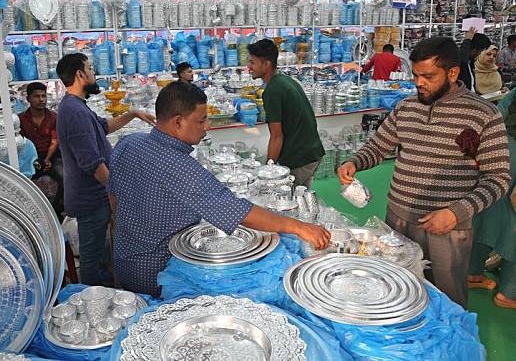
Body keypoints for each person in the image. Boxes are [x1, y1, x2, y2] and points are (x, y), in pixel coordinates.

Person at [109, 81, 331, 297]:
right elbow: (238, 212)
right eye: (201, 120)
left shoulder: (129, 143)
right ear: (178, 123)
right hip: (156, 273)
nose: (207, 126)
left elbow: (113, 199)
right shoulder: (180, 167)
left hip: (122, 259)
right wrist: (298, 227)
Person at [337, 36, 511, 308]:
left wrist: (457, 213)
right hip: (398, 221)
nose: (419, 82)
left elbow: (498, 179)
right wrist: (354, 163)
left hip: (447, 228)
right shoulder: (407, 107)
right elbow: (378, 147)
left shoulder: (484, 115)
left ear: (452, 73)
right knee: (398, 293)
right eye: (416, 74)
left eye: (428, 76)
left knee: (447, 301)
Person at [55, 53, 156, 286]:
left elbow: (104, 127)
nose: (94, 73)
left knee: (99, 253)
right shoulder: (75, 112)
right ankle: (92, 299)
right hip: (90, 198)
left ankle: (102, 288)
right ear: (80, 75)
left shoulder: (77, 107)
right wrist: (118, 192)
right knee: (91, 258)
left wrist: (133, 114)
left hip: (94, 196)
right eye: (90, 69)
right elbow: (93, 165)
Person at [248, 39, 324, 187]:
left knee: (284, 202)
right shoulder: (287, 81)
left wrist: (269, 171)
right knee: (302, 200)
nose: (248, 67)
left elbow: (276, 136)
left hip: (299, 159)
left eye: (252, 62)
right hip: (312, 153)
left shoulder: (272, 91)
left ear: (266, 64)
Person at [467, 88, 516, 309]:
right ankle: (510, 292)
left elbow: (499, 111)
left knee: (486, 208)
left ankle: (473, 273)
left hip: (502, 145)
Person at [19, 82, 63, 216]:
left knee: (64, 176)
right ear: (28, 99)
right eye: (36, 96)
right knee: (24, 182)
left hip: (51, 156)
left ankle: (56, 212)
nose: (41, 100)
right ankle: (32, 214)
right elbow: (21, 144)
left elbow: (55, 141)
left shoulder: (54, 117)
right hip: (30, 158)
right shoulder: (20, 119)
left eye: (43, 96)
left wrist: (48, 159)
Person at [459, 26, 491, 92]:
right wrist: (467, 40)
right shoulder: (461, 63)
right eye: (481, 50)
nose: (481, 54)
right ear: (474, 50)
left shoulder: (470, 63)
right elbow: (462, 59)